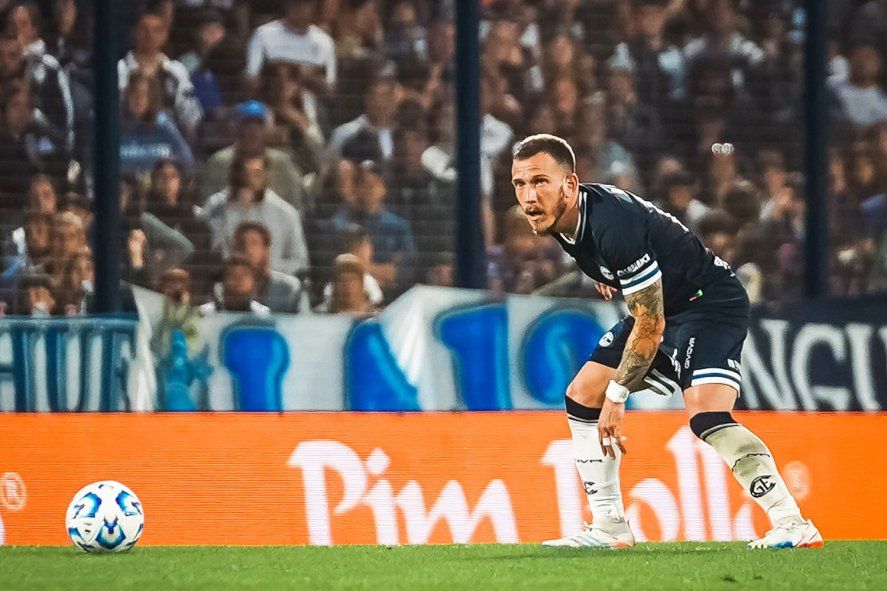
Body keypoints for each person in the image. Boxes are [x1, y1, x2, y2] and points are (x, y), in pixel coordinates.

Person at [509, 134, 820, 550]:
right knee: (582, 395)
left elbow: (650, 323)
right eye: (520, 184)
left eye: (539, 182)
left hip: (708, 305)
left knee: (706, 416)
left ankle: (792, 523)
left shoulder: (611, 224)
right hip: (661, 307)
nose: (529, 196)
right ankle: (609, 526)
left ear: (570, 183)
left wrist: (618, 396)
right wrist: (608, 272)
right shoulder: (561, 217)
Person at [201, 154, 310, 275]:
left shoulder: (286, 213)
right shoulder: (215, 207)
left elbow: (300, 261)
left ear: (266, 176)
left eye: (256, 174)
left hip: (272, 281)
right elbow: (207, 253)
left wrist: (268, 269)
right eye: (244, 174)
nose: (249, 181)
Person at [118, 9, 203, 139]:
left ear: (165, 35)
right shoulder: (120, 68)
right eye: (144, 29)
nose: (149, 35)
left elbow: (188, 113)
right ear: (134, 32)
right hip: (127, 136)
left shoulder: (177, 70)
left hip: (167, 138)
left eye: (156, 30)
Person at [232, 221, 303, 313]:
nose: (247, 249)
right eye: (241, 243)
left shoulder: (289, 288)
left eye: (254, 243)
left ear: (266, 248)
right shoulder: (225, 289)